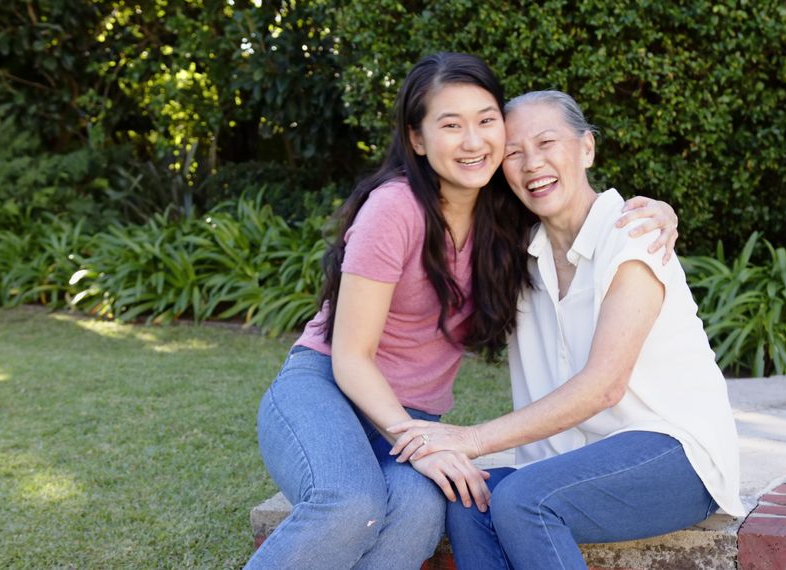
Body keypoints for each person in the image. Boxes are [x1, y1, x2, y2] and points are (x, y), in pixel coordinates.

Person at [246, 55, 680, 569]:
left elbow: (577, 209)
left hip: (414, 419)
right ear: (418, 139)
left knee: (417, 513)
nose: (473, 141)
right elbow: (351, 356)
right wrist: (422, 443)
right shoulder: (395, 207)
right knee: (351, 503)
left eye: (485, 120)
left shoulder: (509, 215)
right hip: (326, 391)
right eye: (451, 125)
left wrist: (659, 211)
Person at [389, 90, 744, 570]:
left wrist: (469, 439)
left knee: (524, 499)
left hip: (675, 458)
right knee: (468, 496)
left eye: (547, 142)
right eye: (513, 152)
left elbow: (604, 387)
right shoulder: (510, 258)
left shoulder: (632, 237)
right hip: (567, 464)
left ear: (587, 148)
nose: (532, 163)